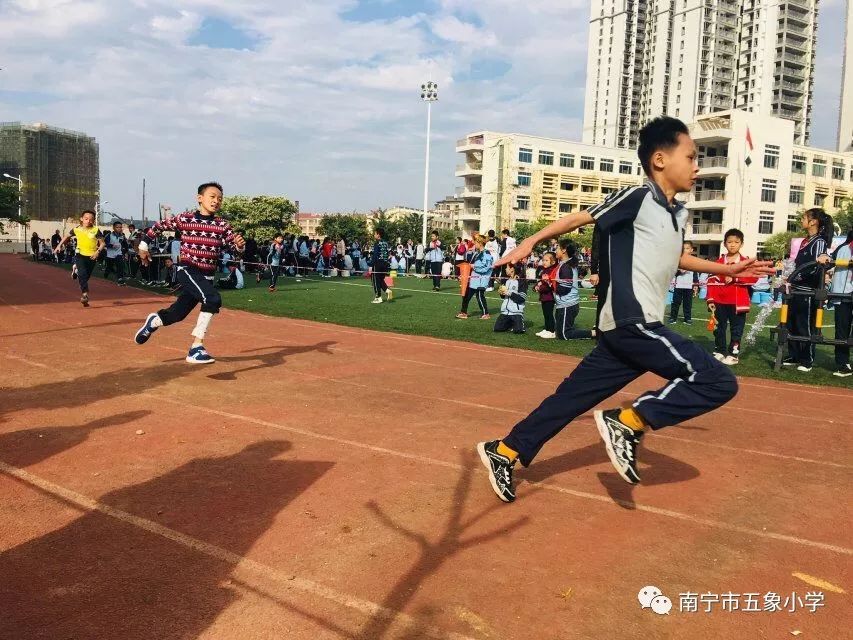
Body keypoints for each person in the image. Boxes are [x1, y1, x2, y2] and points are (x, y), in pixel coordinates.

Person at [476, 116, 774, 503]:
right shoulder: (637, 198)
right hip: (632, 322)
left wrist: (728, 269)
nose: (697, 165)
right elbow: (581, 218)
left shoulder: (676, 214)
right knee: (717, 380)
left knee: (570, 400)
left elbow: (679, 259)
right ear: (660, 160)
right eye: (692, 156)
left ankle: (504, 451)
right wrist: (529, 242)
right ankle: (628, 421)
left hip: (628, 333)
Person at [133, 182, 245, 364]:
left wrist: (240, 246)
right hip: (187, 269)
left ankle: (154, 321)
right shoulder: (185, 218)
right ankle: (197, 347)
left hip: (206, 277)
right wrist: (144, 245)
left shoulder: (223, 225)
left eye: (219, 198)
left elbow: (235, 249)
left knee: (177, 315)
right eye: (212, 196)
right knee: (213, 299)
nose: (216, 201)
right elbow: (158, 227)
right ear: (200, 198)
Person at [783, 208, 833, 372]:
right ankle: (794, 355)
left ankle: (807, 359)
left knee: (805, 325)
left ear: (813, 222)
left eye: (805, 217)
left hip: (807, 290)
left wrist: (796, 277)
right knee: (792, 323)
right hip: (796, 289)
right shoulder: (805, 241)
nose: (802, 220)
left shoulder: (819, 242)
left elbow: (816, 267)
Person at [706, 228, 756, 365]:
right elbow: (710, 282)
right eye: (729, 242)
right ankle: (720, 351)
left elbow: (753, 279)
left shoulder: (745, 263)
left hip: (738, 303)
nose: (733, 244)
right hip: (719, 301)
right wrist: (710, 299)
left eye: (736, 242)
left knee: (736, 329)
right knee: (719, 328)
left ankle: (734, 353)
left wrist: (735, 279)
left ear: (741, 244)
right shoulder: (718, 263)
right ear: (725, 243)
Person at [53, 210, 105, 307]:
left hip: (92, 256)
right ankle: (85, 295)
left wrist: (97, 252)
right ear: (81, 219)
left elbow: (102, 243)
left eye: (91, 219)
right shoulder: (77, 229)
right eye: (86, 219)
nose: (88, 221)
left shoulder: (96, 230)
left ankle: (75, 270)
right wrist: (59, 245)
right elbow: (66, 236)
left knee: (86, 276)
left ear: (93, 221)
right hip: (80, 254)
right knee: (83, 275)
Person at [553, 238, 595, 341]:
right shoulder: (565, 264)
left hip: (568, 304)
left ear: (564, 250)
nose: (555, 250)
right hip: (564, 304)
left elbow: (564, 289)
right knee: (558, 333)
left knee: (564, 334)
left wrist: (551, 286)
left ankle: (595, 333)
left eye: (557, 247)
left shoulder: (566, 266)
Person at [829, 230, 853, 377]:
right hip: (842, 294)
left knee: (843, 330)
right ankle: (842, 363)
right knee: (841, 330)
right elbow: (829, 259)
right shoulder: (843, 248)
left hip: (845, 292)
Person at [457, 234, 493, 319]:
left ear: (480, 243)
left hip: (481, 280)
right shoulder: (477, 253)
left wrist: (474, 267)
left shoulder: (486, 253)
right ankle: (463, 312)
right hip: (473, 279)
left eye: (476, 242)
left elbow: (486, 267)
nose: (474, 244)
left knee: (480, 296)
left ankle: (485, 314)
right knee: (466, 295)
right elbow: (470, 264)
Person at [668, 240, 699, 324]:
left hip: (689, 286)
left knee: (687, 304)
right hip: (678, 286)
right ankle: (673, 318)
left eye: (687, 248)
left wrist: (696, 285)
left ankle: (687, 318)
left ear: (692, 250)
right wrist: (679, 271)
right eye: (684, 248)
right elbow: (673, 272)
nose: (685, 250)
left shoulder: (694, 261)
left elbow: (695, 273)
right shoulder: (678, 260)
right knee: (675, 303)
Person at [493, 262, 527, 334]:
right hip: (505, 312)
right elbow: (504, 297)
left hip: (516, 312)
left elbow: (522, 298)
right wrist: (501, 293)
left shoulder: (521, 281)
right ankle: (510, 324)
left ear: (512, 269)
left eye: (507, 267)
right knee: (497, 328)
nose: (505, 269)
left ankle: (517, 324)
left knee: (518, 330)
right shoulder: (506, 281)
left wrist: (509, 293)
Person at [534, 251, 557, 338]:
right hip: (543, 297)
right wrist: (536, 286)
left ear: (553, 262)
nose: (544, 262)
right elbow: (540, 281)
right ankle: (547, 329)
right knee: (545, 313)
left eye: (546, 260)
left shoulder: (552, 271)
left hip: (549, 297)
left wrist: (541, 287)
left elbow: (550, 285)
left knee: (549, 314)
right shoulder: (544, 270)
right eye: (543, 260)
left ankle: (551, 331)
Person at [370, 228, 392, 303]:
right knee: (380, 279)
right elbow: (387, 253)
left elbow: (375, 255)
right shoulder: (385, 243)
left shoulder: (377, 243)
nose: (374, 235)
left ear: (378, 234)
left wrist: (371, 265)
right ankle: (387, 290)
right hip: (385, 263)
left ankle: (378, 297)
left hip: (378, 263)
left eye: (375, 233)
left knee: (375, 280)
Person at [103, 221, 127, 285]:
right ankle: (107, 272)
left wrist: (125, 252)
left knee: (120, 266)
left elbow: (125, 245)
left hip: (119, 254)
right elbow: (104, 244)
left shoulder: (122, 236)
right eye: (117, 227)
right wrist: (111, 245)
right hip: (110, 255)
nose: (119, 228)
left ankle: (120, 279)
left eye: (120, 227)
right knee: (109, 267)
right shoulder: (109, 235)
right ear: (113, 228)